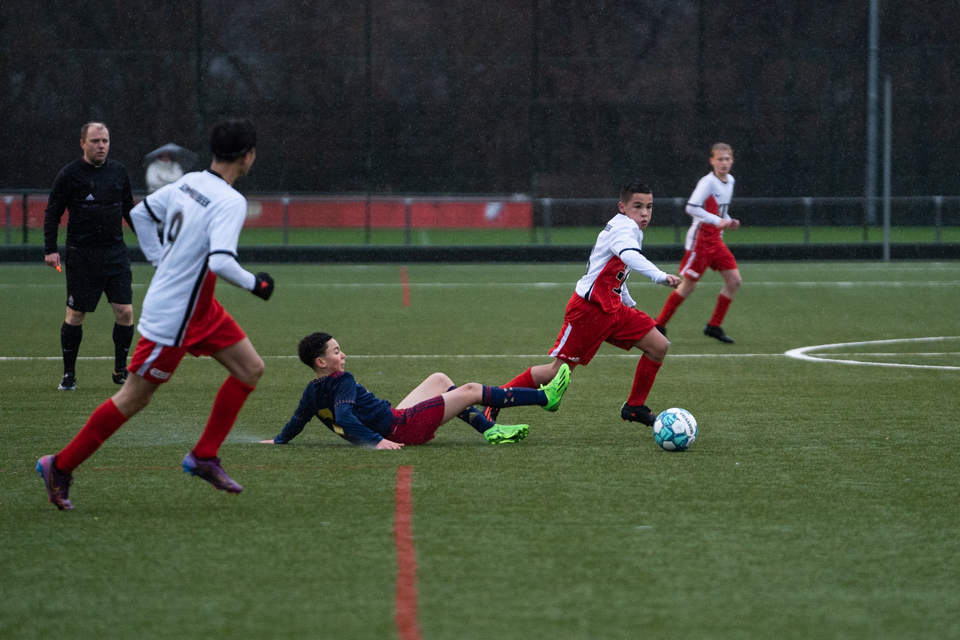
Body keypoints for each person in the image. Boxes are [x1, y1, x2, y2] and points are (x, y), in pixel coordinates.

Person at [37, 118, 276, 510]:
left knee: (250, 368)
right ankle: (60, 466)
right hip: (174, 317)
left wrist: (160, 259)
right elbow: (220, 262)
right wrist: (257, 284)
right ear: (248, 156)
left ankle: (203, 456)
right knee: (133, 398)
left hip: (202, 309)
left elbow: (144, 213)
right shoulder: (231, 201)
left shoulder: (189, 182)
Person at [484, 180, 681, 428]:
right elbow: (629, 255)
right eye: (637, 206)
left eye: (649, 207)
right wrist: (659, 276)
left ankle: (634, 407)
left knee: (658, 345)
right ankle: (495, 400)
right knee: (555, 373)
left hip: (612, 308)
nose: (644, 213)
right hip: (589, 311)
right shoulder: (624, 229)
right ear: (622, 207)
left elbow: (615, 268)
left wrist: (625, 298)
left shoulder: (629, 228)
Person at [259, 332, 571, 449]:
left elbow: (298, 420)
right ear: (321, 361)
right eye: (336, 351)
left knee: (439, 379)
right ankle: (546, 397)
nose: (343, 355)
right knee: (472, 389)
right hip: (400, 428)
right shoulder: (342, 380)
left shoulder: (311, 391)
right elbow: (344, 414)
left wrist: (279, 439)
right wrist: (377, 442)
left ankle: (489, 430)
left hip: (393, 419)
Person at [44, 122, 136, 391]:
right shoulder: (70, 174)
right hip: (81, 255)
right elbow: (52, 212)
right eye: (95, 141)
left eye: (105, 140)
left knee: (125, 311)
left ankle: (120, 370)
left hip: (115, 253)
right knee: (76, 315)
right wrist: (51, 248)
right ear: (82, 143)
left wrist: (152, 239)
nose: (101, 145)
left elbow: (130, 210)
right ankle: (69, 375)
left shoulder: (119, 172)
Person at [654, 143, 742, 343]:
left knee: (734, 281)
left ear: (732, 161)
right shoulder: (707, 182)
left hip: (716, 240)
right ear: (712, 161)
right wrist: (716, 220)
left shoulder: (730, 181)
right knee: (688, 287)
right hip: (700, 241)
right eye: (720, 159)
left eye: (727, 159)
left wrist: (728, 220)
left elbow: (720, 211)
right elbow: (691, 207)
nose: (724, 163)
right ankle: (658, 325)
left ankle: (713, 326)